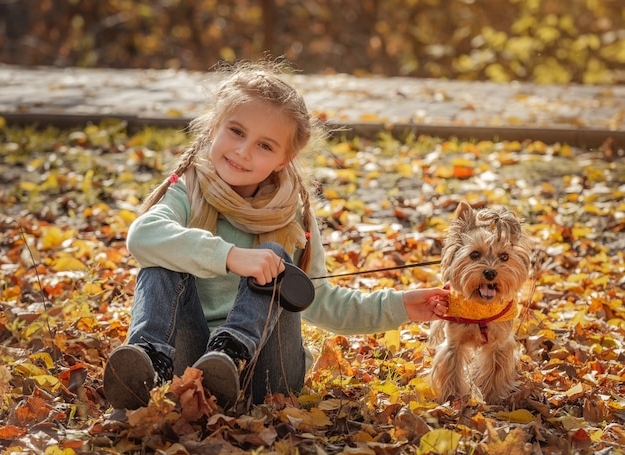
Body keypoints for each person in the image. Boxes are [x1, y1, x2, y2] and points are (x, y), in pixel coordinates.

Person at [103, 60, 449, 412]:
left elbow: (322, 301)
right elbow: (142, 235)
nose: (243, 151)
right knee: (160, 257)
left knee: (275, 256)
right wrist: (230, 256)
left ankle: (232, 353)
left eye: (265, 146)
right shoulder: (186, 192)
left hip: (268, 376)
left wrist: (401, 305)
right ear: (213, 128)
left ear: (286, 158)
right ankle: (148, 366)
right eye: (236, 131)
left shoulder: (292, 218)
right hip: (188, 364)